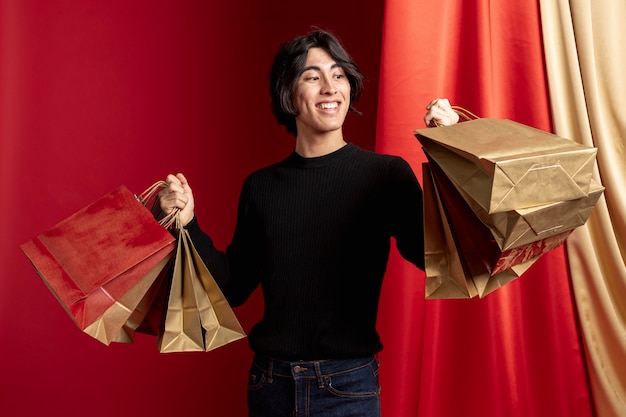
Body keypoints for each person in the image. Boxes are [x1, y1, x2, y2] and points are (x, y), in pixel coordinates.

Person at [159, 29, 458, 417]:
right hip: (269, 385)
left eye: (338, 75)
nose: (330, 88)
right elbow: (231, 287)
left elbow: (436, 254)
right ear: (288, 93)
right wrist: (186, 225)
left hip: (348, 384)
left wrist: (454, 151)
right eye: (313, 76)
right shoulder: (261, 187)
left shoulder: (385, 175)